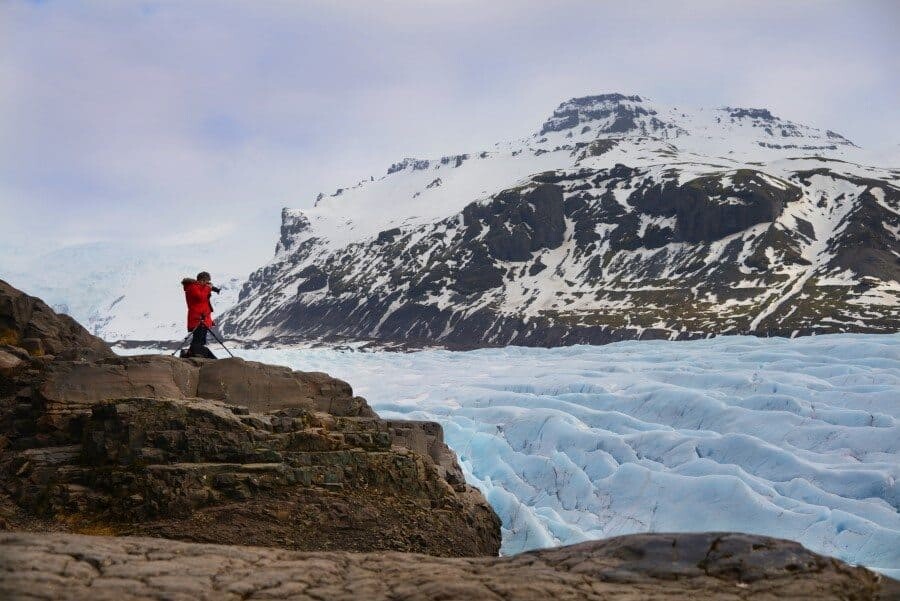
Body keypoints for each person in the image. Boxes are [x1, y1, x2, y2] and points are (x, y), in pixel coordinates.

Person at [181, 271, 220, 358]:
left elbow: (204, 302)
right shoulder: (192, 287)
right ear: (202, 280)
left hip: (203, 318)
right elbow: (200, 297)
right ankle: (190, 355)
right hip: (197, 318)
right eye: (207, 281)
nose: (208, 283)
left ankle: (190, 354)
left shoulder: (200, 288)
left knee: (201, 341)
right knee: (198, 341)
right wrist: (207, 289)